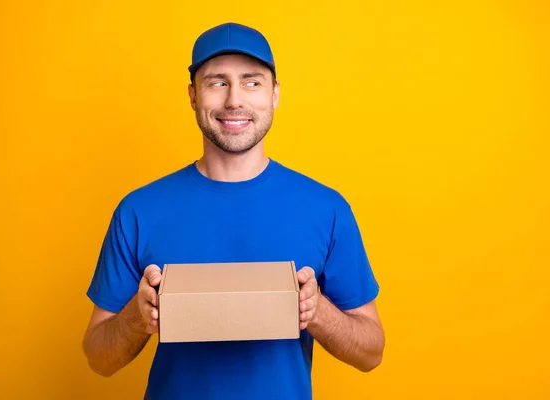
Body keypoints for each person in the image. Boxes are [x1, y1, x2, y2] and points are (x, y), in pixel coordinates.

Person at [82, 22, 385, 400]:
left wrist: (317, 312)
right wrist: (136, 318)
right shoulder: (139, 210)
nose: (234, 101)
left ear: (275, 94)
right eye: (217, 82)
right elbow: (99, 359)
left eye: (252, 82)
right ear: (193, 96)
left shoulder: (326, 209)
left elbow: (372, 351)